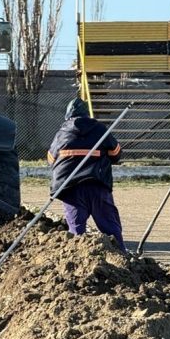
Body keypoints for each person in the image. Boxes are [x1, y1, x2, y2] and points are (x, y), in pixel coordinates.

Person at [47, 98, 126, 252]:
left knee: (76, 232)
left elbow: (50, 159)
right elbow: (116, 154)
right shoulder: (100, 130)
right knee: (110, 227)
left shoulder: (61, 133)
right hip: (97, 185)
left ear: (68, 116)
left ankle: (78, 259)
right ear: (87, 114)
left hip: (71, 188)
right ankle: (123, 256)